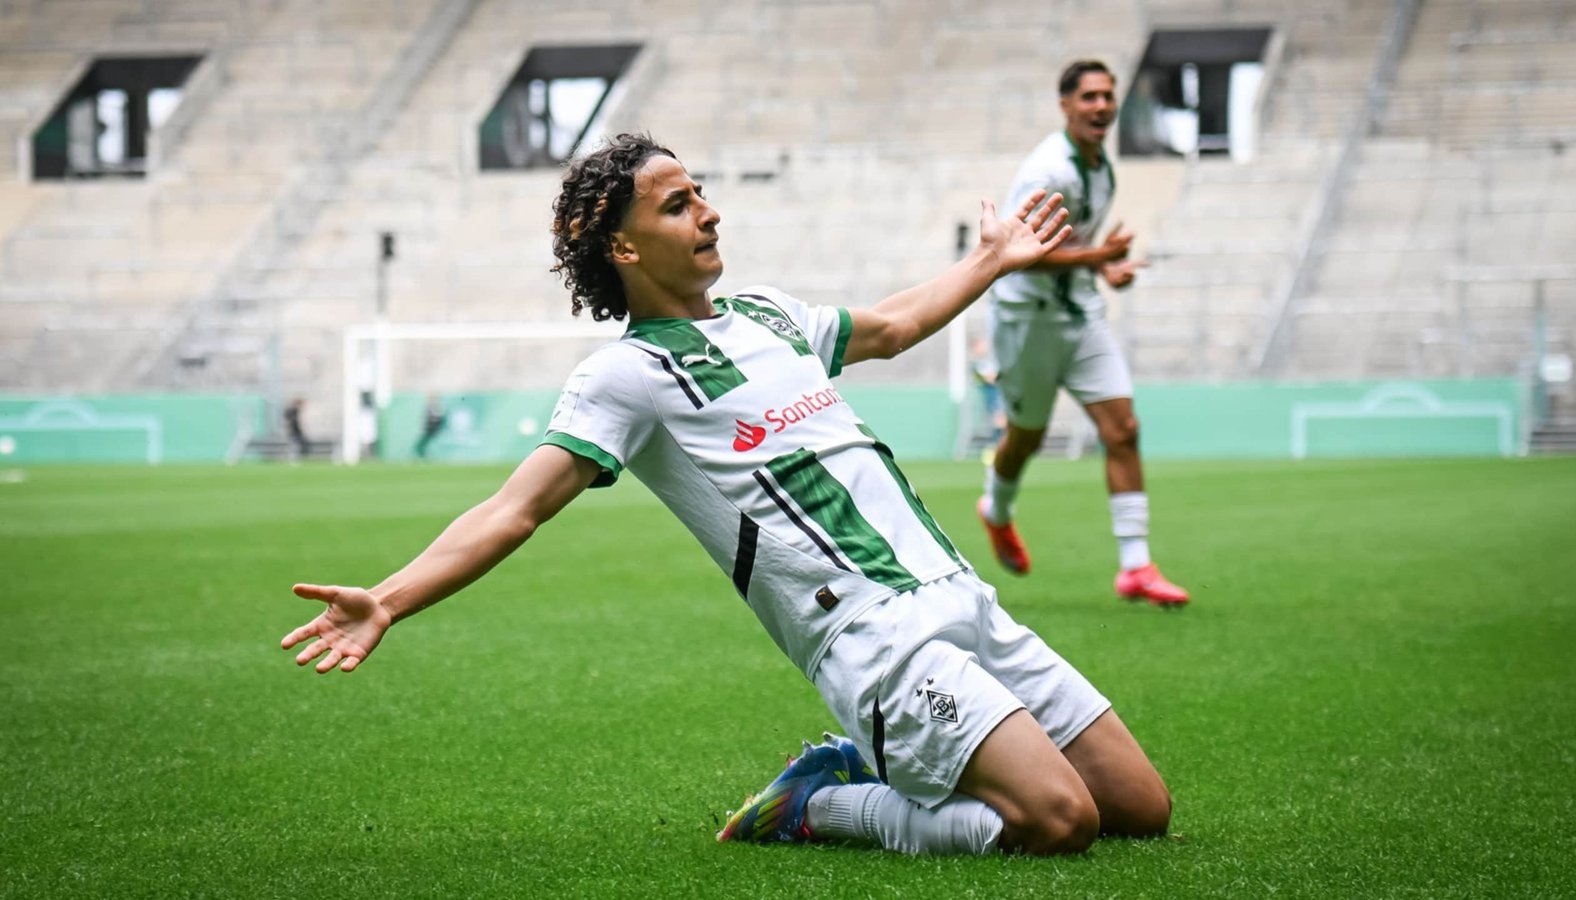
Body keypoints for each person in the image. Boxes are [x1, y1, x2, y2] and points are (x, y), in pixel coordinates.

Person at [280, 134, 1171, 856]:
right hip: (872, 639)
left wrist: (992, 261)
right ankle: (823, 806)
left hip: (957, 594)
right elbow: (516, 508)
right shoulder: (626, 377)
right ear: (624, 248)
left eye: (700, 193)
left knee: (1138, 807)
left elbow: (896, 325)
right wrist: (389, 601)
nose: (708, 212)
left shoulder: (769, 316)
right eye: (678, 204)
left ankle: (881, 774)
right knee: (1060, 822)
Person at [976, 60, 1190, 606]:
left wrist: (1102, 269)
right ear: (1065, 105)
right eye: (1089, 97)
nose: (1101, 106)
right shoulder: (1047, 172)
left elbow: (1073, 248)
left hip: (1079, 314)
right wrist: (1098, 256)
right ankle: (995, 511)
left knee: (1122, 429)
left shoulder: (1100, 166)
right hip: (1028, 321)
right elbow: (1015, 255)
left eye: (1107, 96)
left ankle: (1136, 567)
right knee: (1025, 438)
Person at [283, 396, 311, 460]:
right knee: (295, 445)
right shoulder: (292, 411)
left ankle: (295, 457)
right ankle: (293, 458)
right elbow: (291, 422)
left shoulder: (295, 411)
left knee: (296, 445)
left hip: (296, 432)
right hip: (293, 432)